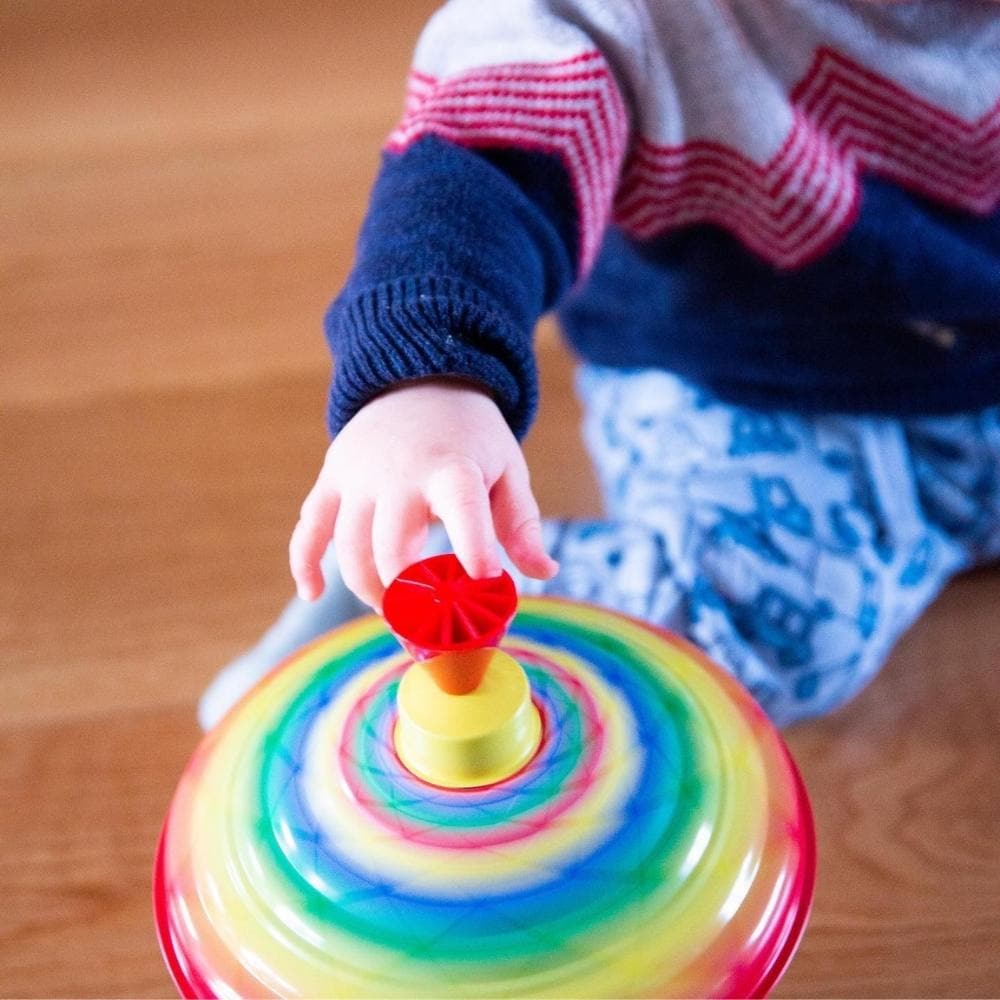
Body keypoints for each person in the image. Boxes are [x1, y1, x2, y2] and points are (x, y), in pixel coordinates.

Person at [199, 0, 1000, 731]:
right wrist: (428, 379)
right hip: (735, 373)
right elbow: (486, 151)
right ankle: (417, 572)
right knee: (783, 626)